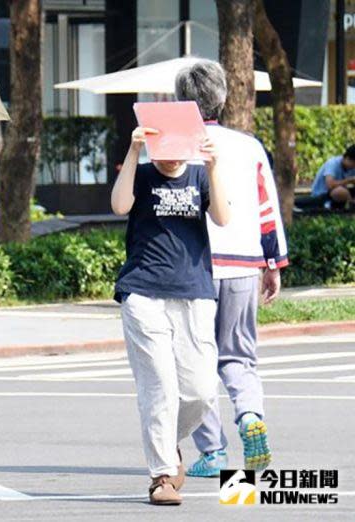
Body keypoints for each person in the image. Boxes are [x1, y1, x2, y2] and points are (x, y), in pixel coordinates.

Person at [174, 60, 289, 478]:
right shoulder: (249, 146)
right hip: (244, 263)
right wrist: (272, 263)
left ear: (181, 100)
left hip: (195, 267)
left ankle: (214, 452)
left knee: (197, 363)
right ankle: (250, 416)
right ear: (222, 97)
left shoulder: (176, 146)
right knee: (239, 357)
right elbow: (267, 209)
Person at [111, 125, 230, 505]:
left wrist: (213, 166)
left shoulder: (198, 174)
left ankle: (166, 442)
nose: (173, 155)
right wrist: (134, 151)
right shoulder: (143, 175)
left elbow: (224, 218)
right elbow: (119, 206)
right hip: (143, 293)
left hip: (194, 292)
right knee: (159, 386)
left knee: (201, 391)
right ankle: (162, 475)